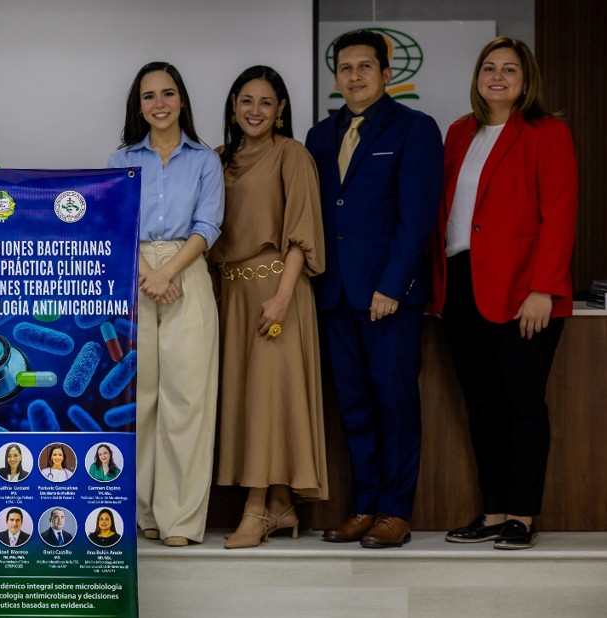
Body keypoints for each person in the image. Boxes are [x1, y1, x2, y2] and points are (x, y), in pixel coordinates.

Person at [431, 38, 577, 550]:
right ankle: (494, 512)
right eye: (488, 68)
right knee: (482, 406)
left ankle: (522, 516)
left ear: (526, 78)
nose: (497, 76)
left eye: (509, 69)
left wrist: (544, 288)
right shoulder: (459, 131)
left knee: (522, 404)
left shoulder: (548, 132)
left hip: (523, 291)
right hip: (462, 284)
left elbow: (560, 214)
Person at [304, 30, 442, 548]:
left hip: (389, 298)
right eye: (345, 68)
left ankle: (395, 511)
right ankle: (364, 506)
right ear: (335, 77)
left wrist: (393, 285)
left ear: (386, 74)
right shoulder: (320, 136)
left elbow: (417, 217)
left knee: (395, 404)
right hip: (335, 295)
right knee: (355, 407)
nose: (354, 76)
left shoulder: (414, 128)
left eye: (365, 66)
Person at [209, 66, 328, 549]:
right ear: (233, 105)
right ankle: (280, 506)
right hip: (231, 296)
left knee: (268, 398)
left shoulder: (291, 154)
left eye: (265, 102)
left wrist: (281, 297)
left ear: (280, 110)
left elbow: (301, 232)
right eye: (246, 100)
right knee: (251, 401)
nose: (254, 110)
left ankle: (256, 510)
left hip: (277, 289)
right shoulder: (217, 159)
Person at [108, 61, 223, 547]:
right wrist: (147, 274)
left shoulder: (205, 160)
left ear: (181, 100)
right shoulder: (121, 159)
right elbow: (115, 221)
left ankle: (180, 520)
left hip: (186, 270)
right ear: (139, 106)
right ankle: (144, 514)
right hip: (132, 272)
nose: (159, 103)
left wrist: (167, 272)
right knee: (141, 399)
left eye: (168, 93)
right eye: (149, 95)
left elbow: (208, 225)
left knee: (187, 400)